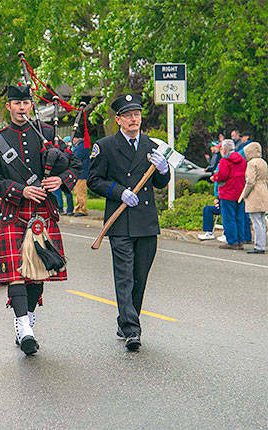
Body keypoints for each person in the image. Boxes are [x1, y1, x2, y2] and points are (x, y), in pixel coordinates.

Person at [0, 84, 81, 356]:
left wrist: (60, 180)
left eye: (26, 102)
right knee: (16, 271)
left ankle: (27, 321)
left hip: (42, 212)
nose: (22, 107)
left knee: (37, 270)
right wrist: (21, 190)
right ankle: (24, 327)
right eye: (17, 103)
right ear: (9, 107)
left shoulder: (47, 134)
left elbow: (74, 165)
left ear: (31, 105)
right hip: (15, 212)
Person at [87, 94, 170, 351]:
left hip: (146, 222)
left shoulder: (151, 145)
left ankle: (125, 321)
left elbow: (158, 183)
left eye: (137, 114)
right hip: (121, 221)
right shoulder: (106, 146)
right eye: (129, 115)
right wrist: (119, 191)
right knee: (124, 277)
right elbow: (94, 180)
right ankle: (133, 330)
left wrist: (164, 170)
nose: (134, 119)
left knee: (139, 278)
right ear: (118, 119)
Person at [210, 139, 247, 250]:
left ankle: (232, 241)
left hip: (227, 193)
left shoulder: (225, 161)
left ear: (224, 150)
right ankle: (240, 240)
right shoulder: (243, 160)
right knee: (239, 217)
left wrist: (214, 177)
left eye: (221, 148)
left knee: (229, 218)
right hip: (240, 192)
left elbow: (222, 176)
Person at [238, 142, 268, 254]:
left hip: (255, 193)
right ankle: (262, 244)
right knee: (261, 221)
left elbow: (250, 181)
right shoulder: (263, 162)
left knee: (256, 221)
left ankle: (259, 246)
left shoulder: (251, 163)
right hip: (264, 191)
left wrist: (243, 195)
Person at [71, 130, 90, 216]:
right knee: (78, 192)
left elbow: (75, 158)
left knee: (81, 192)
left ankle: (82, 209)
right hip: (80, 173)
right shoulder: (81, 145)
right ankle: (77, 208)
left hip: (82, 174)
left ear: (76, 138)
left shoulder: (81, 147)